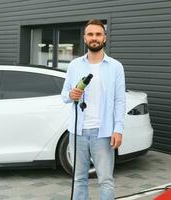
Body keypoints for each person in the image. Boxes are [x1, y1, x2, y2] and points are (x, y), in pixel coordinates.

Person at [61, 19, 126, 200]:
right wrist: (71, 95)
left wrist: (118, 129)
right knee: (79, 179)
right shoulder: (74, 65)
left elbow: (120, 101)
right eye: (90, 34)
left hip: (103, 133)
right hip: (77, 132)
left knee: (105, 180)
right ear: (84, 38)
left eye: (98, 34)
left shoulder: (116, 67)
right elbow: (64, 95)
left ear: (104, 38)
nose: (94, 38)